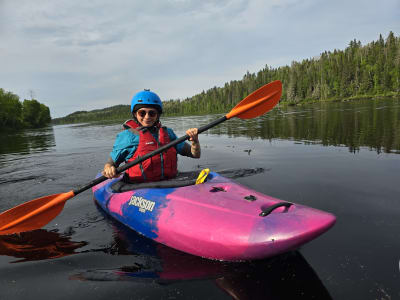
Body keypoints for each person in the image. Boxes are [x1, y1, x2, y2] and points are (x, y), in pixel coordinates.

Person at [102, 89, 201, 183]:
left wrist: (195, 142)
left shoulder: (168, 134)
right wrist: (109, 169)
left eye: (152, 113)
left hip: (171, 183)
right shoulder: (128, 136)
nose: (147, 117)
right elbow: (111, 164)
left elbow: (195, 155)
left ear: (157, 115)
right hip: (139, 188)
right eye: (142, 113)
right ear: (135, 115)